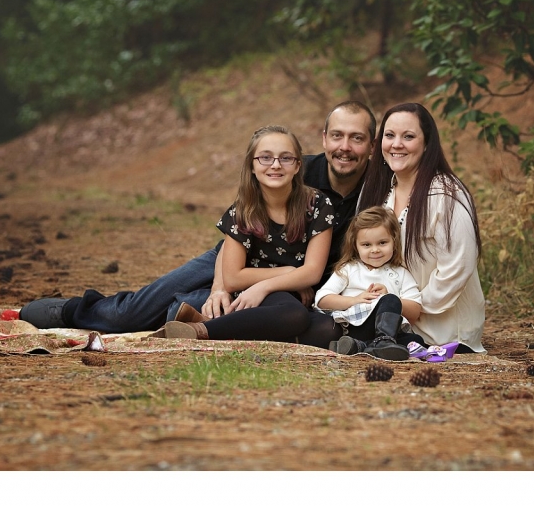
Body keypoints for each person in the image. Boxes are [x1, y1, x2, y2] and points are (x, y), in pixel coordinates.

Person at [18, 101, 376, 336]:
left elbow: (316, 271)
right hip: (233, 258)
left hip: (293, 282)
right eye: (338, 136)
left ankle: (188, 313)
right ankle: (70, 311)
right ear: (324, 139)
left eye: (357, 138)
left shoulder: (375, 190)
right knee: (132, 315)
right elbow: (238, 247)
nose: (345, 147)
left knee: (282, 318)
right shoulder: (295, 170)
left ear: (370, 147)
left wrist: (279, 283)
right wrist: (222, 285)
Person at [150, 124, 333, 342]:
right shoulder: (243, 211)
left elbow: (312, 273)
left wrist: (263, 286)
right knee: (294, 316)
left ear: (297, 166)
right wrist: (291, 272)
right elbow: (233, 278)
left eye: (286, 158)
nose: (276, 165)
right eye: (265, 158)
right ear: (252, 166)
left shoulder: (317, 205)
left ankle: (203, 320)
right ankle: (201, 331)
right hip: (252, 294)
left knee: (326, 328)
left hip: (277, 295)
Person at [356, 102, 486, 353]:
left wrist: (409, 307)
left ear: (427, 144)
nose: (396, 144)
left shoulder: (446, 194)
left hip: (442, 330)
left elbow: (457, 268)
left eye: (408, 137)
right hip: (394, 319)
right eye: (390, 135)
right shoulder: (381, 191)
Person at [314, 206, 425, 360]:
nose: (375, 250)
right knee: (408, 342)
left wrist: (389, 300)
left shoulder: (401, 273)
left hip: (391, 331)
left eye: (382, 243)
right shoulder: (349, 269)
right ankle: (379, 344)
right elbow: (322, 299)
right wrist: (353, 300)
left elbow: (414, 312)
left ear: (394, 240)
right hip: (358, 326)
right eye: (366, 245)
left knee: (416, 341)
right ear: (356, 246)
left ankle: (361, 346)